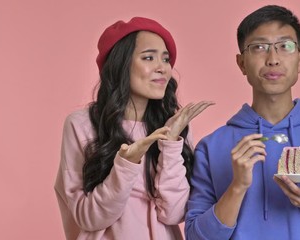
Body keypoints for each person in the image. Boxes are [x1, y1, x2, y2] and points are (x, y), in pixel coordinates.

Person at [185, 5, 300, 240]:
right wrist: (237, 187)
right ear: (241, 63)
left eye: (285, 46)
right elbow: (195, 236)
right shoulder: (211, 147)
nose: (273, 59)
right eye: (259, 47)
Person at [54, 17, 214, 240]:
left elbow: (174, 214)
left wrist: (170, 144)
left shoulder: (174, 127)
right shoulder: (81, 125)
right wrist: (126, 165)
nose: (162, 68)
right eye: (149, 57)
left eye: (166, 59)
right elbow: (89, 218)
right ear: (121, 64)